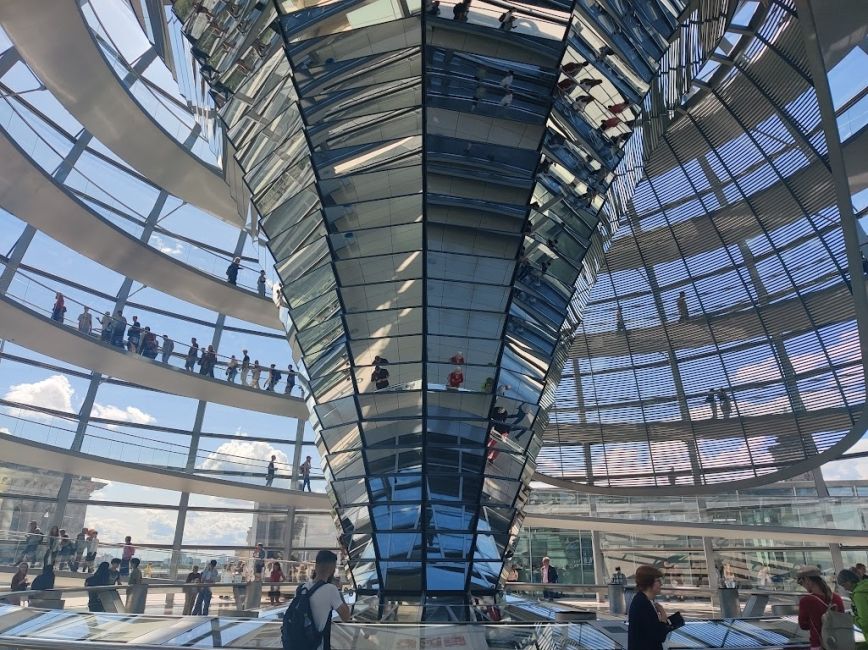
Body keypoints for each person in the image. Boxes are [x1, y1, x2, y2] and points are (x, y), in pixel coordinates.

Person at [291, 550, 351, 650]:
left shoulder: (301, 588)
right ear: (332, 569)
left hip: (298, 644)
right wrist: (339, 591)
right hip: (317, 646)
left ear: (316, 566)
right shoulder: (331, 590)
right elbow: (346, 616)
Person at [797, 566, 844, 650]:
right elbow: (841, 618)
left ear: (807, 580)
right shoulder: (837, 598)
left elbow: (803, 625)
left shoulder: (806, 601)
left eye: (801, 582)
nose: (802, 585)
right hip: (838, 642)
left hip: (819, 644)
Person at [628, 565, 673, 650]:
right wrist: (663, 617)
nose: (661, 584)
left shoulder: (643, 600)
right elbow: (659, 636)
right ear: (649, 583)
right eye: (658, 581)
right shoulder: (643, 604)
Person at [837, 569, 867, 639]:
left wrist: (852, 619)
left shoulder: (859, 595)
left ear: (849, 582)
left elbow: (865, 623)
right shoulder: (865, 587)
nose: (845, 589)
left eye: (844, 585)